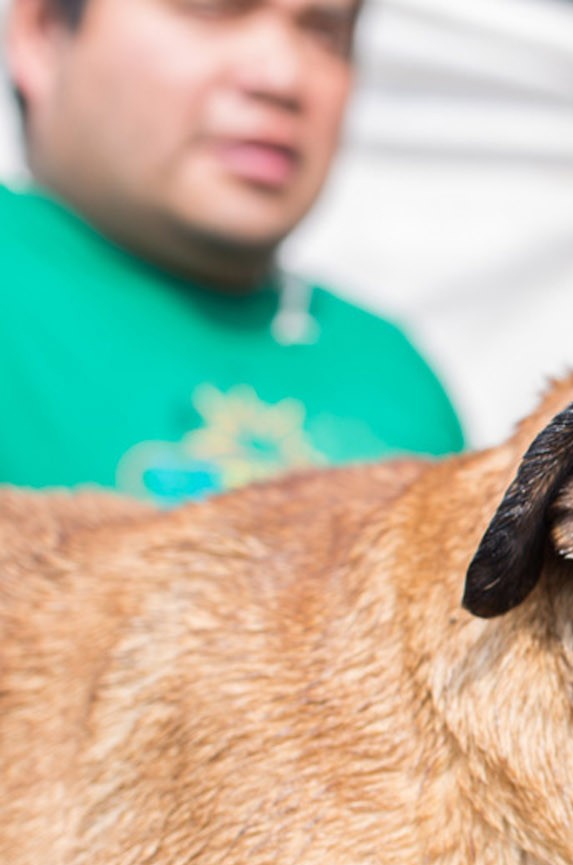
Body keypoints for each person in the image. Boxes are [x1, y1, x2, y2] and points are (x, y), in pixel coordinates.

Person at [1, 0, 463, 502]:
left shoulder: (394, 379)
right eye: (213, 9)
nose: (283, 76)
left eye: (327, 32)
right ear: (44, 30)